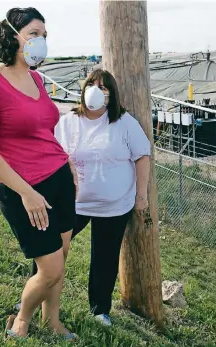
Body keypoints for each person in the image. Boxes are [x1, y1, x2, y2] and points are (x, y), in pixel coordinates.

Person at [0, 7, 78, 340]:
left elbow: (41, 129)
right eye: (33, 34)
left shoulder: (37, 78)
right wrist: (27, 192)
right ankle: (22, 321)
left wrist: (66, 160)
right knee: (51, 268)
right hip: (23, 189)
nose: (41, 41)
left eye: (44, 35)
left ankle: (52, 322)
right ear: (11, 37)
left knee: (62, 256)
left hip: (59, 178)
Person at [53, 68, 151, 326]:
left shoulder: (123, 122)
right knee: (50, 246)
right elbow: (53, 154)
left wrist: (142, 196)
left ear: (111, 95)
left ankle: (99, 310)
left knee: (105, 258)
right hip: (74, 202)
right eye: (91, 84)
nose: (96, 90)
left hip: (114, 206)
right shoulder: (69, 121)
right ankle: (36, 293)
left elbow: (142, 156)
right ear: (83, 89)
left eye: (104, 87)